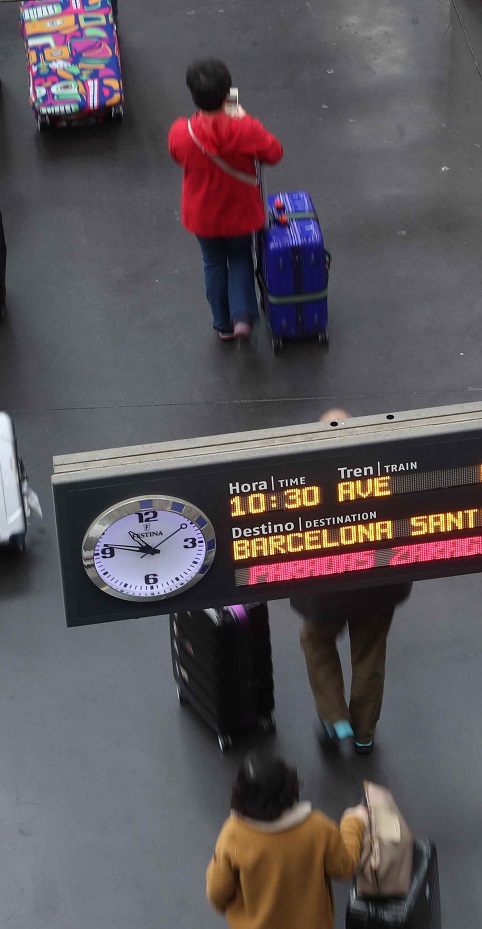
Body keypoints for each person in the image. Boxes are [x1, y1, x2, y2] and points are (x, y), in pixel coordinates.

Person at [207, 754, 367, 929]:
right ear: (290, 787)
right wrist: (354, 822)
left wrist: (226, 905)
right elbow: (346, 865)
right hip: (301, 926)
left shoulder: (234, 834)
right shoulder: (317, 828)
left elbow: (217, 891)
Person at [292, 411, 413, 755]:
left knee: (316, 642)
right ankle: (364, 734)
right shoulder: (388, 470)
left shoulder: (306, 479)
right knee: (370, 653)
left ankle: (335, 719)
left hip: (326, 591)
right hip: (380, 584)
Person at [168, 59, 284, 341]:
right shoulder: (245, 129)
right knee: (241, 256)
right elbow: (274, 152)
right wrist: (241, 118)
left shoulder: (181, 132)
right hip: (239, 212)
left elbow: (177, 156)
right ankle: (242, 316)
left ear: (194, 95)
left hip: (201, 215)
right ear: (226, 93)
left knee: (213, 263)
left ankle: (223, 325)